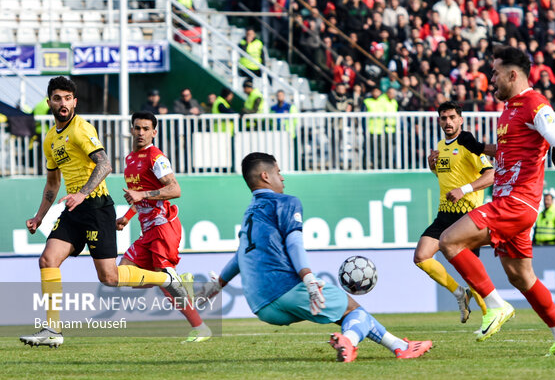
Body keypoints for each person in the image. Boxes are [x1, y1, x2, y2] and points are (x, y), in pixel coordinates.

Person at [197, 152, 432, 362]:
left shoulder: (250, 213)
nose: (283, 178)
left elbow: (241, 255)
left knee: (344, 314)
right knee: (353, 311)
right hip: (286, 287)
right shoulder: (285, 202)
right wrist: (308, 278)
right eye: (279, 172)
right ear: (266, 176)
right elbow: (294, 241)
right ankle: (349, 342)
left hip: (261, 306)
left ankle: (400, 347)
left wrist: (218, 284)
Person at [20, 77, 188, 348]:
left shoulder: (81, 129)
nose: (62, 103)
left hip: (96, 207)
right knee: (47, 260)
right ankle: (52, 329)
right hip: (73, 209)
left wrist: (82, 193)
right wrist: (39, 216)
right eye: (57, 98)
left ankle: (166, 278)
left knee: (109, 277)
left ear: (74, 102)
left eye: (67, 98)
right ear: (49, 102)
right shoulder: (50, 138)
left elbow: (105, 164)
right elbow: (53, 183)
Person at [438, 46, 555, 356]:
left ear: (513, 74)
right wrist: (478, 147)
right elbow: (508, 153)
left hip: (516, 202)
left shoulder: (533, 103)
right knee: (520, 275)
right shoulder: (509, 109)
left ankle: (495, 305)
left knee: (449, 241)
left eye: (495, 73)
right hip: (511, 201)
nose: (492, 79)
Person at [115, 111, 211, 343]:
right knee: (121, 274)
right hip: (147, 229)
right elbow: (138, 199)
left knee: (166, 285)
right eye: (137, 128)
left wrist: (143, 194)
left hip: (162, 226)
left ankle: (200, 327)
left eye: (146, 129)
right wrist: (128, 216)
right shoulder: (129, 160)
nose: (141, 132)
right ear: (131, 130)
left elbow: (175, 189)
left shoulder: (156, 157)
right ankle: (176, 281)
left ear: (154, 133)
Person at [417, 101, 492, 324]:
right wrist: (433, 168)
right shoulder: (441, 145)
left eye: (451, 117)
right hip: (445, 213)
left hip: (467, 215)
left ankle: (489, 315)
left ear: (460, 119)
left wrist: (465, 189)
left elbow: (491, 176)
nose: (447, 122)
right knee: (421, 257)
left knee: (472, 274)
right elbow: (448, 179)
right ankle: (459, 294)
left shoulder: (469, 145)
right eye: (443, 118)